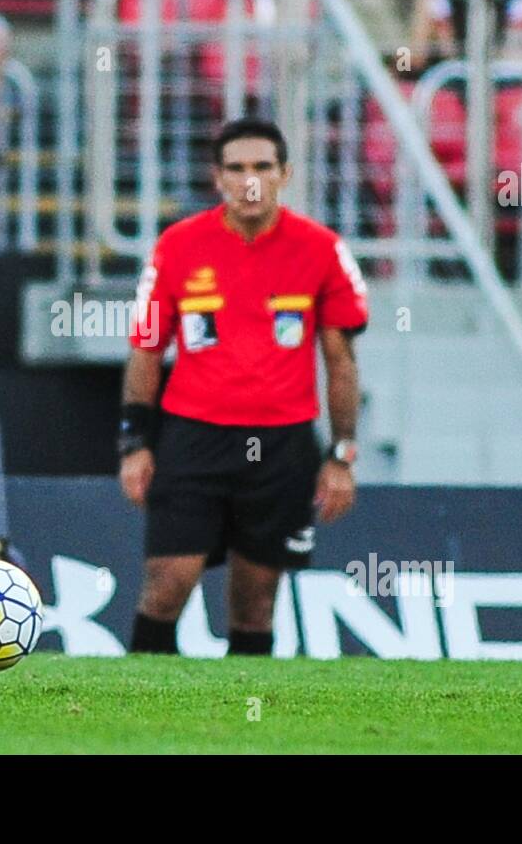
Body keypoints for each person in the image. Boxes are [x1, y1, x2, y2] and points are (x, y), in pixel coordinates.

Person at [119, 119, 368, 657]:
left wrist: (342, 454)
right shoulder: (179, 246)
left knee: (256, 601)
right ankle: (133, 709)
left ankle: (244, 727)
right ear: (217, 178)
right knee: (168, 584)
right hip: (193, 438)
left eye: (262, 168)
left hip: (281, 444)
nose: (249, 181)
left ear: (286, 175)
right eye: (236, 168)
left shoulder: (321, 250)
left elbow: (341, 362)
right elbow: (146, 350)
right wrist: (134, 443)